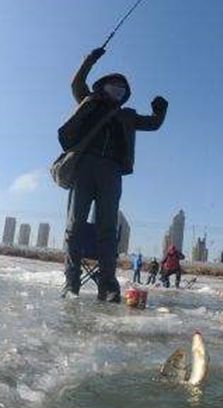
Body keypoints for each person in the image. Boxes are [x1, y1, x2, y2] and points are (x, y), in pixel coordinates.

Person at [62, 47, 168, 300]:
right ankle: (71, 284)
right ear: (103, 87)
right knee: (74, 227)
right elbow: (77, 83)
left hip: (111, 173)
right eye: (113, 85)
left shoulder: (127, 116)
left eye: (122, 89)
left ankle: (108, 286)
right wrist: (90, 59)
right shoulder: (89, 102)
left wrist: (160, 111)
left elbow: (152, 124)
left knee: (108, 229)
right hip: (84, 168)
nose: (118, 90)